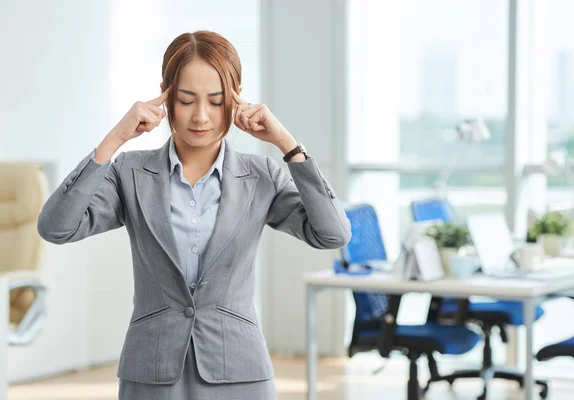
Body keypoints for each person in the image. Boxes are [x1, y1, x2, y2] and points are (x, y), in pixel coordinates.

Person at [37, 30, 351, 399]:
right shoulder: (130, 172)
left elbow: (332, 234)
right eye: (186, 100)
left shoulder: (262, 176)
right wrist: (114, 140)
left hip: (239, 371)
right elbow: (56, 228)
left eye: (217, 101)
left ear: (236, 99)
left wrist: (287, 144)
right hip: (150, 372)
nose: (201, 116)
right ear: (165, 95)